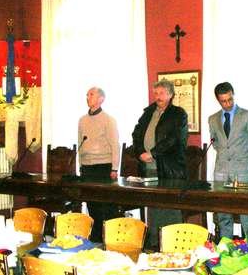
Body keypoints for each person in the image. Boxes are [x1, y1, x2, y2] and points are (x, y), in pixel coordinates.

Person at [132, 80, 188, 248]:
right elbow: (136, 134)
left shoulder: (178, 114)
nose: (158, 97)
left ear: (170, 95)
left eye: (162, 93)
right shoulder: (148, 112)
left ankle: (172, 246)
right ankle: (154, 245)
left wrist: (153, 153)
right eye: (156, 93)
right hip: (148, 168)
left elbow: (174, 139)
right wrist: (140, 153)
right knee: (153, 208)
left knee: (169, 208)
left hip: (169, 168)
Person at [209, 82, 248, 244]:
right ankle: (225, 249)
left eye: (230, 99)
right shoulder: (212, 119)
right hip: (221, 172)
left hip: (244, 171)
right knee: (223, 214)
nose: (227, 104)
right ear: (218, 100)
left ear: (233, 95)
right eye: (223, 101)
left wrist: (247, 161)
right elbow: (216, 143)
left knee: (247, 215)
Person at [77, 87, 120, 242]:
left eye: (91, 94)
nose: (88, 97)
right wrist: (80, 165)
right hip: (87, 167)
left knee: (105, 204)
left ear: (101, 99)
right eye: (87, 94)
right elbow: (80, 143)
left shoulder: (108, 120)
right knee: (92, 203)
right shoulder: (82, 120)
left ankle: (108, 238)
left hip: (104, 166)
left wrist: (114, 168)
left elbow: (115, 145)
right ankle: (95, 238)